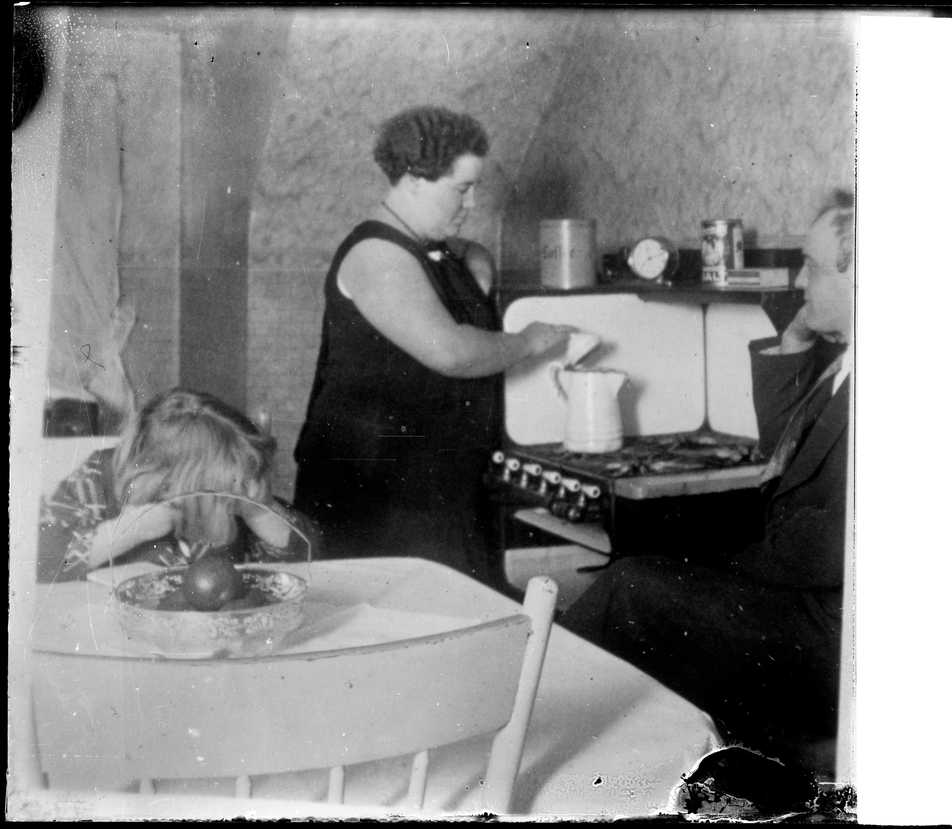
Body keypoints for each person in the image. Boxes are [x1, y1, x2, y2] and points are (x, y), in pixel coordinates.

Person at [560, 189, 855, 773]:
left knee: (632, 589)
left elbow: (834, 543)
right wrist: (794, 343)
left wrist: (720, 574)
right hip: (816, 614)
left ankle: (522, 714)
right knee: (651, 588)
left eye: (814, 267)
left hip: (837, 638)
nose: (800, 281)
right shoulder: (848, 363)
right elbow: (788, 455)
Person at [292, 106, 571, 576]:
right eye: (462, 188)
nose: (472, 203)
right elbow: (453, 353)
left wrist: (477, 258)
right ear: (414, 180)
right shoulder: (376, 255)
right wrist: (527, 341)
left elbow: (458, 251)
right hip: (377, 496)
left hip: (429, 488)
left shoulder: (422, 245)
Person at [37, 388, 318, 583]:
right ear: (169, 480)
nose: (242, 488)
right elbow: (39, 561)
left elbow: (308, 558)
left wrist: (261, 510)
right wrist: (131, 529)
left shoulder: (236, 496)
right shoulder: (98, 478)